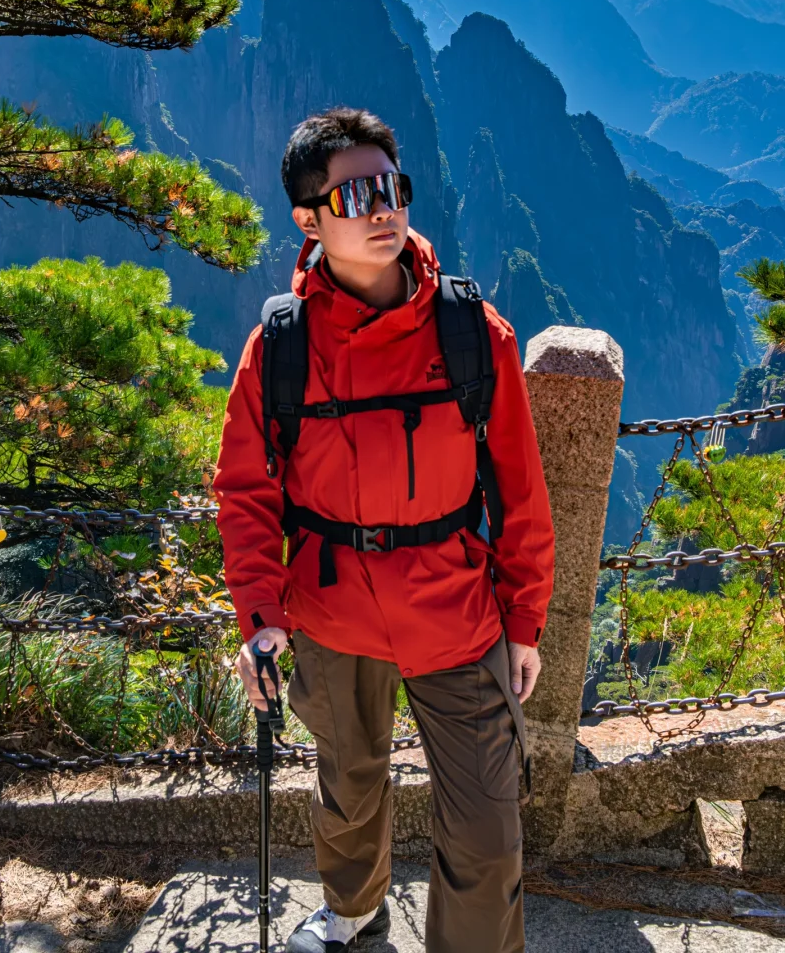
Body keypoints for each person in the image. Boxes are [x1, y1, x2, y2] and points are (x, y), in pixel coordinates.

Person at [215, 107, 555, 953]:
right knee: (349, 787)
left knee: (487, 827)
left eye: (392, 187)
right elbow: (246, 493)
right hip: (332, 610)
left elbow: (520, 490)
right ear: (308, 219)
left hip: (454, 607)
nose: (383, 208)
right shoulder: (280, 348)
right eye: (355, 192)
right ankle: (353, 915)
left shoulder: (473, 335)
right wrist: (260, 618)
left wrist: (524, 619)